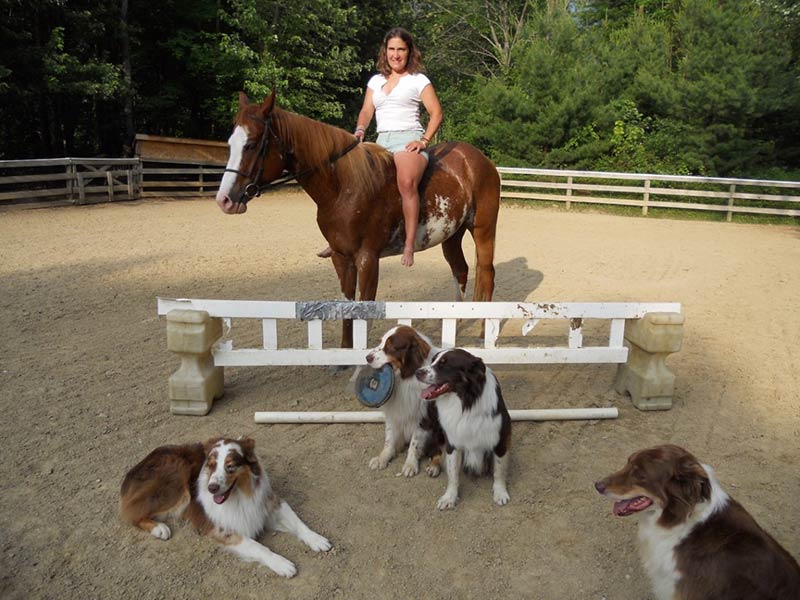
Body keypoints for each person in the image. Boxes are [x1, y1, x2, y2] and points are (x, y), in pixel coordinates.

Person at [318, 27, 443, 267]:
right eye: (391, 49)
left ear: (409, 52)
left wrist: (423, 141)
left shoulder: (418, 80)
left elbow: (436, 113)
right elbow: (367, 110)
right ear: (385, 52)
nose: (396, 55)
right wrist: (360, 129)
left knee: (405, 182)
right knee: (350, 177)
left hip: (408, 139)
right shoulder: (376, 81)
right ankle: (340, 238)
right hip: (381, 141)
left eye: (401, 49)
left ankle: (409, 244)